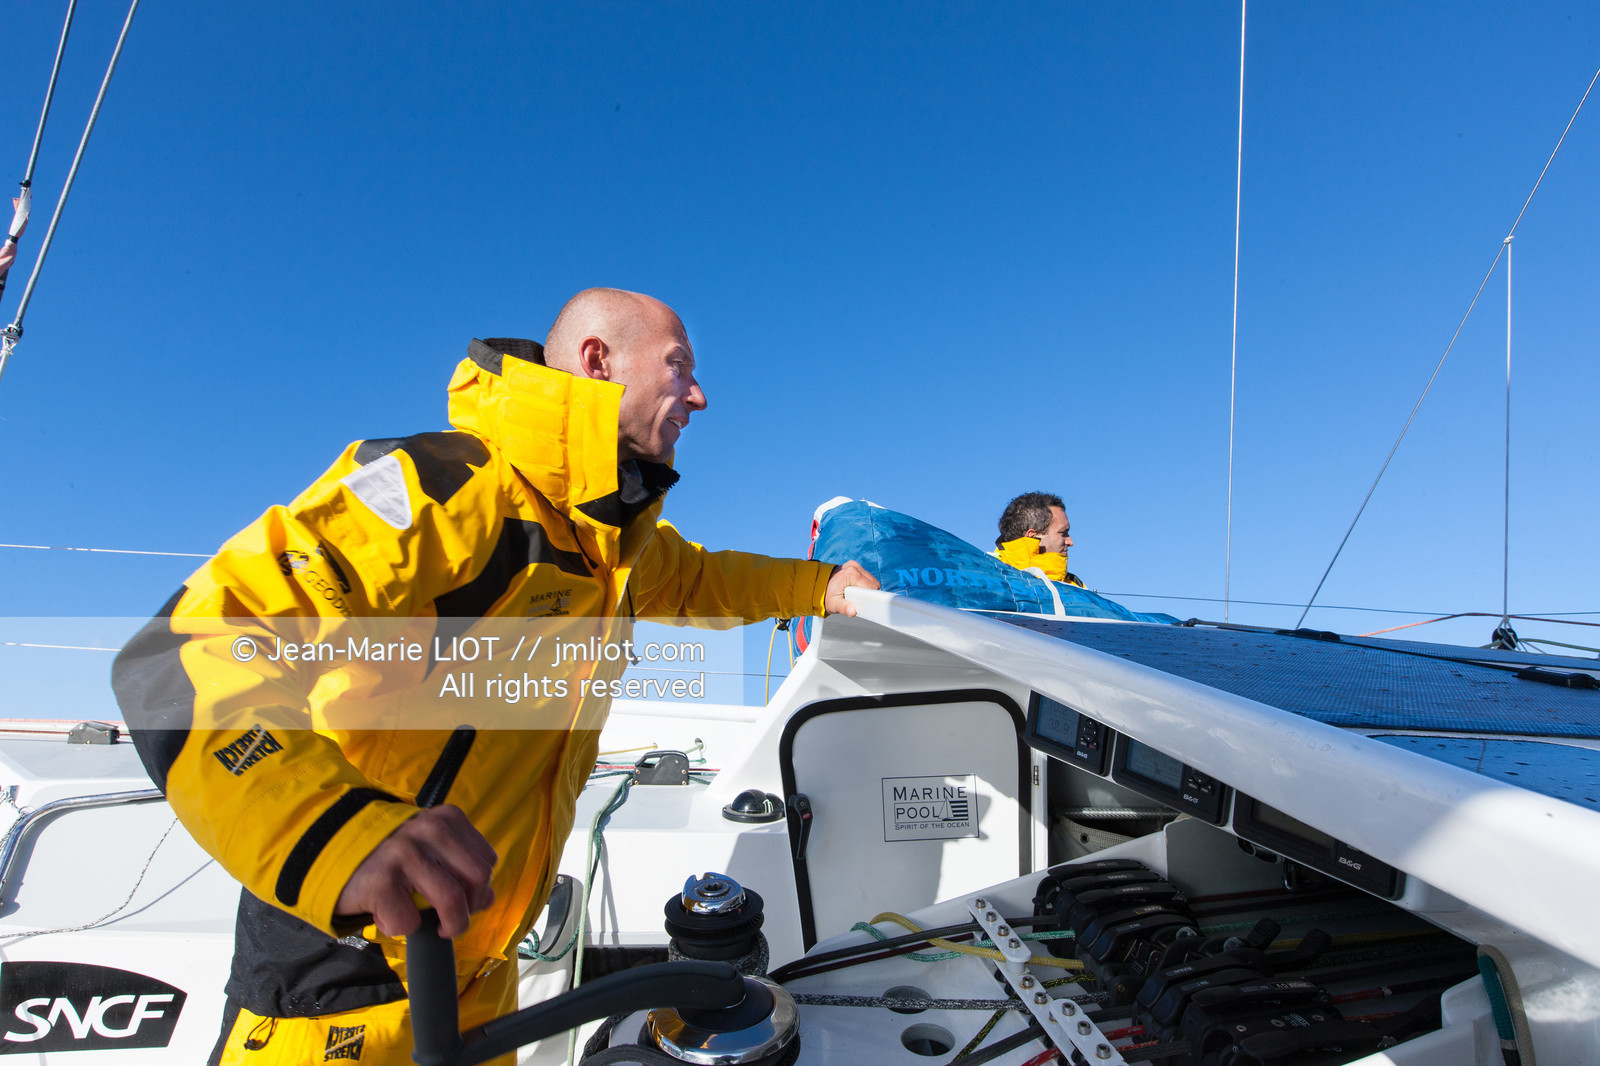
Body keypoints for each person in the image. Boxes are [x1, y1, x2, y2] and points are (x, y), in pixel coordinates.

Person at [112, 288, 878, 1065]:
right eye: (679, 367)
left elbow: (705, 581)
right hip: (354, 976)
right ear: (597, 361)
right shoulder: (448, 490)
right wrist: (336, 831)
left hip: (480, 971)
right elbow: (194, 642)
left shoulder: (608, 543)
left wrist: (819, 587)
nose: (699, 397)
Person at [993, 491, 1084, 588]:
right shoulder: (992, 578)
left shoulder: (1075, 585)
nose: (1070, 542)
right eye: (1063, 533)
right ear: (1032, 536)